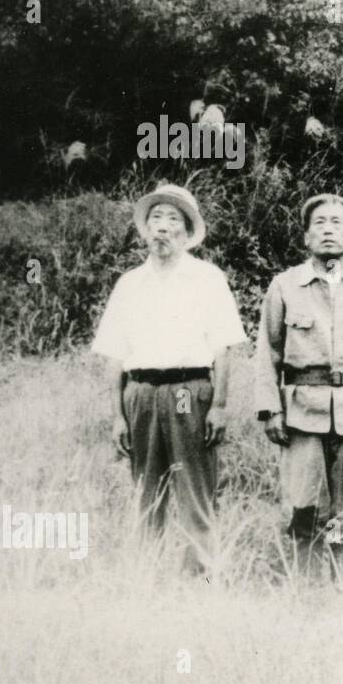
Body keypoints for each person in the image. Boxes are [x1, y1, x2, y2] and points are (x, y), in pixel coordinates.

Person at [91, 183, 247, 575]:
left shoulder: (207, 278)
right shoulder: (129, 284)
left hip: (187, 392)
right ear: (145, 230)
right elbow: (115, 355)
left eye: (172, 219)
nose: (162, 226)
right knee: (146, 489)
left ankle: (202, 576)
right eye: (155, 218)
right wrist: (117, 416)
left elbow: (223, 349)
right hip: (141, 394)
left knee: (194, 488)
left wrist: (219, 406)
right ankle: (148, 574)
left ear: (187, 230)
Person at [253, 194, 343, 576]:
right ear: (306, 237)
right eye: (319, 223)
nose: (328, 230)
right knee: (306, 505)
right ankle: (308, 587)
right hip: (303, 414)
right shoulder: (285, 286)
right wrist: (270, 410)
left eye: (337, 223)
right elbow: (267, 352)